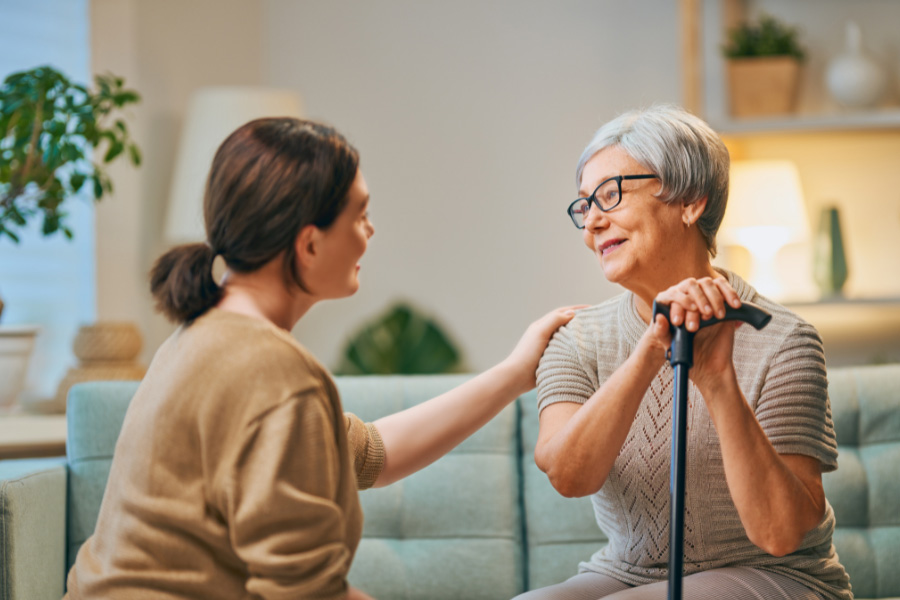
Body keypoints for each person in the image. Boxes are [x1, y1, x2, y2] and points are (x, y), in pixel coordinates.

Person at [64, 117, 580, 600]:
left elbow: (371, 454)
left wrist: (516, 373)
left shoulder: (200, 337)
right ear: (309, 244)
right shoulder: (270, 369)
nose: (369, 231)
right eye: (360, 214)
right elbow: (305, 592)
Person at [516, 105, 852, 600]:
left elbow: (780, 535)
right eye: (585, 205)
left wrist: (718, 381)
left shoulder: (784, 339)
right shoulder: (577, 337)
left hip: (774, 575)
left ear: (691, 200)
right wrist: (651, 350)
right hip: (629, 573)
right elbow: (569, 475)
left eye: (610, 195)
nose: (592, 223)